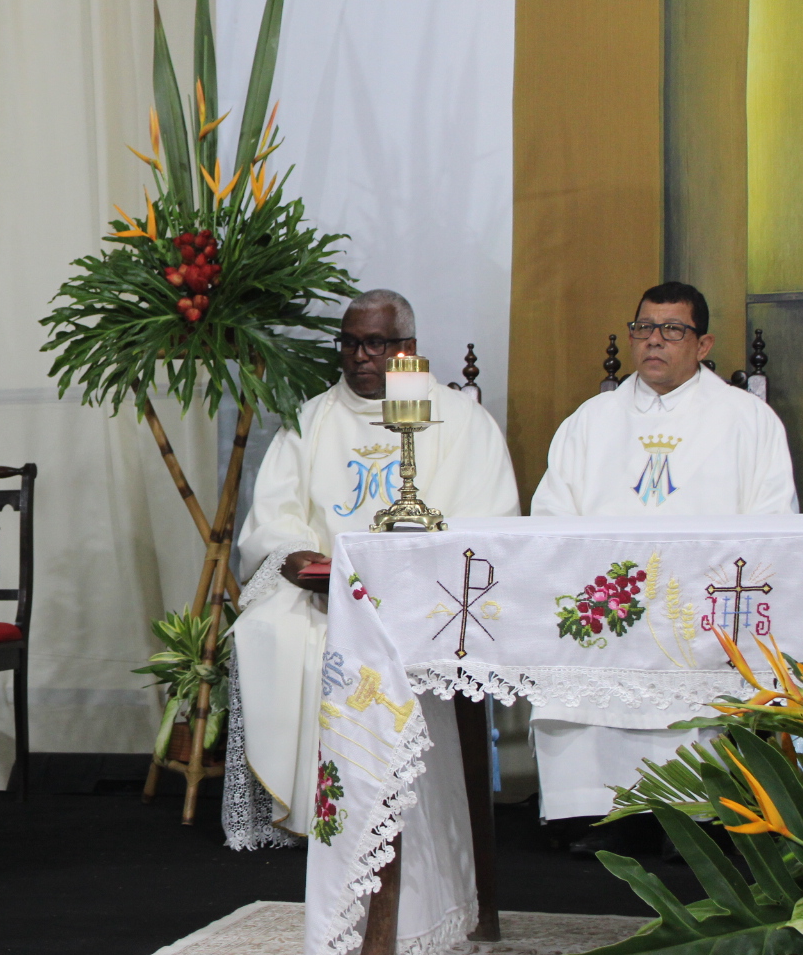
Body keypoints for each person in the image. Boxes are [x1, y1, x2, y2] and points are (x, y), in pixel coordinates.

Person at [229, 289, 520, 845]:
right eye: (349, 344)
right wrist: (296, 553)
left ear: (408, 347)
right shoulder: (312, 419)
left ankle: (422, 814)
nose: (360, 356)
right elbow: (276, 515)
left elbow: (489, 517)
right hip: (329, 594)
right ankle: (314, 811)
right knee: (269, 630)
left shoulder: (462, 420)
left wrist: (418, 572)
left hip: (428, 596)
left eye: (375, 344)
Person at [529, 282, 797, 836]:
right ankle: (598, 814)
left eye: (673, 330)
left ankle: (704, 814)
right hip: (609, 609)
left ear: (703, 345)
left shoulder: (748, 420)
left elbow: (772, 525)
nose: (654, 340)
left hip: (706, 615)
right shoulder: (590, 421)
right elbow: (550, 516)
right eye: (644, 328)